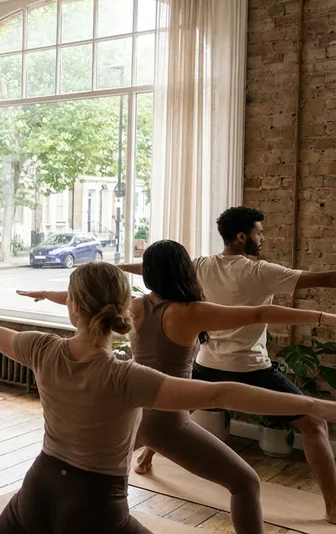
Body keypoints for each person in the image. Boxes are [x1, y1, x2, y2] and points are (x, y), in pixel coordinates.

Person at [0, 262, 336, 534]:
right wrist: (314, 406)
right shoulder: (127, 377)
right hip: (95, 504)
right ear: (123, 311)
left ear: (72, 307)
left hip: (36, 488)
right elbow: (223, 391)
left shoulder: (41, 348)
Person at [18, 240, 336, 534]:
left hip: (129, 416)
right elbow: (258, 313)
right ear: (186, 271)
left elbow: (91, 303)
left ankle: (39, 510)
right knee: (245, 483)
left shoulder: (135, 306)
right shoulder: (189, 313)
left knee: (75, 471)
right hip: (165, 423)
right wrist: (322, 317)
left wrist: (49, 295)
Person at [118, 207, 336, 523]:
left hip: (206, 364)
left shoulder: (200, 266)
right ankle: (332, 508)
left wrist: (109, 268)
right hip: (251, 369)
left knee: (174, 410)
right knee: (314, 424)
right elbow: (325, 279)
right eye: (259, 233)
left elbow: (152, 268)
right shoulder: (263, 272)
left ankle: (146, 458)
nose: (263, 238)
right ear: (241, 237)